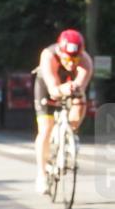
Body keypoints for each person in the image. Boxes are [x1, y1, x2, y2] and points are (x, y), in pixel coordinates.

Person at [34, 29, 93, 193]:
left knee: (81, 101)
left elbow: (80, 87)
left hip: (69, 87)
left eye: (76, 58)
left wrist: (75, 91)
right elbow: (53, 89)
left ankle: (71, 134)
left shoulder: (86, 61)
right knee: (46, 128)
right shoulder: (48, 56)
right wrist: (63, 89)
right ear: (60, 52)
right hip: (47, 87)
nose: (72, 63)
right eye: (67, 58)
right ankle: (42, 175)